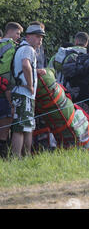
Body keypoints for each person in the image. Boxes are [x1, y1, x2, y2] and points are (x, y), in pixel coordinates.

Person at [10, 24, 47, 158]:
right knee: (20, 128)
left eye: (41, 37)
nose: (40, 40)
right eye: (37, 37)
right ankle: (17, 157)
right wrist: (31, 86)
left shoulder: (23, 48)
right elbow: (25, 65)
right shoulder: (27, 49)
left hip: (23, 93)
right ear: (28, 36)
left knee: (27, 127)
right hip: (23, 93)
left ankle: (25, 157)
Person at [0, 22, 23, 158]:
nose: (18, 37)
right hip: (5, 88)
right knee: (5, 127)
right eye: (18, 33)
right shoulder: (11, 46)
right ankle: (3, 157)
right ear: (12, 32)